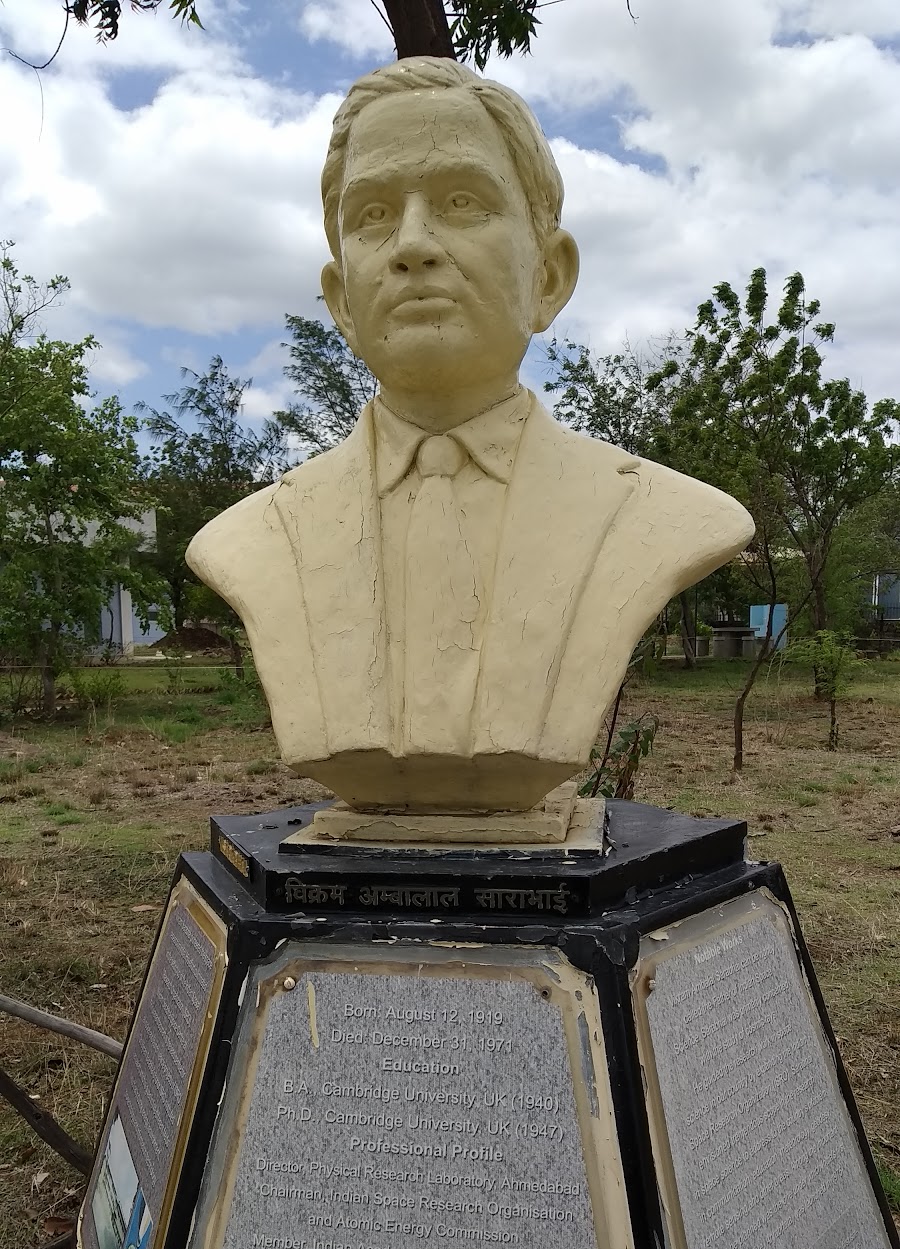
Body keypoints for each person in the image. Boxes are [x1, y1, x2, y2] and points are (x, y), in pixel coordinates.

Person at [187, 58, 752, 815]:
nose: (412, 245)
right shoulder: (253, 540)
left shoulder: (663, 518)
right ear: (341, 304)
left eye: (462, 202)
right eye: (373, 216)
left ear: (548, 277)